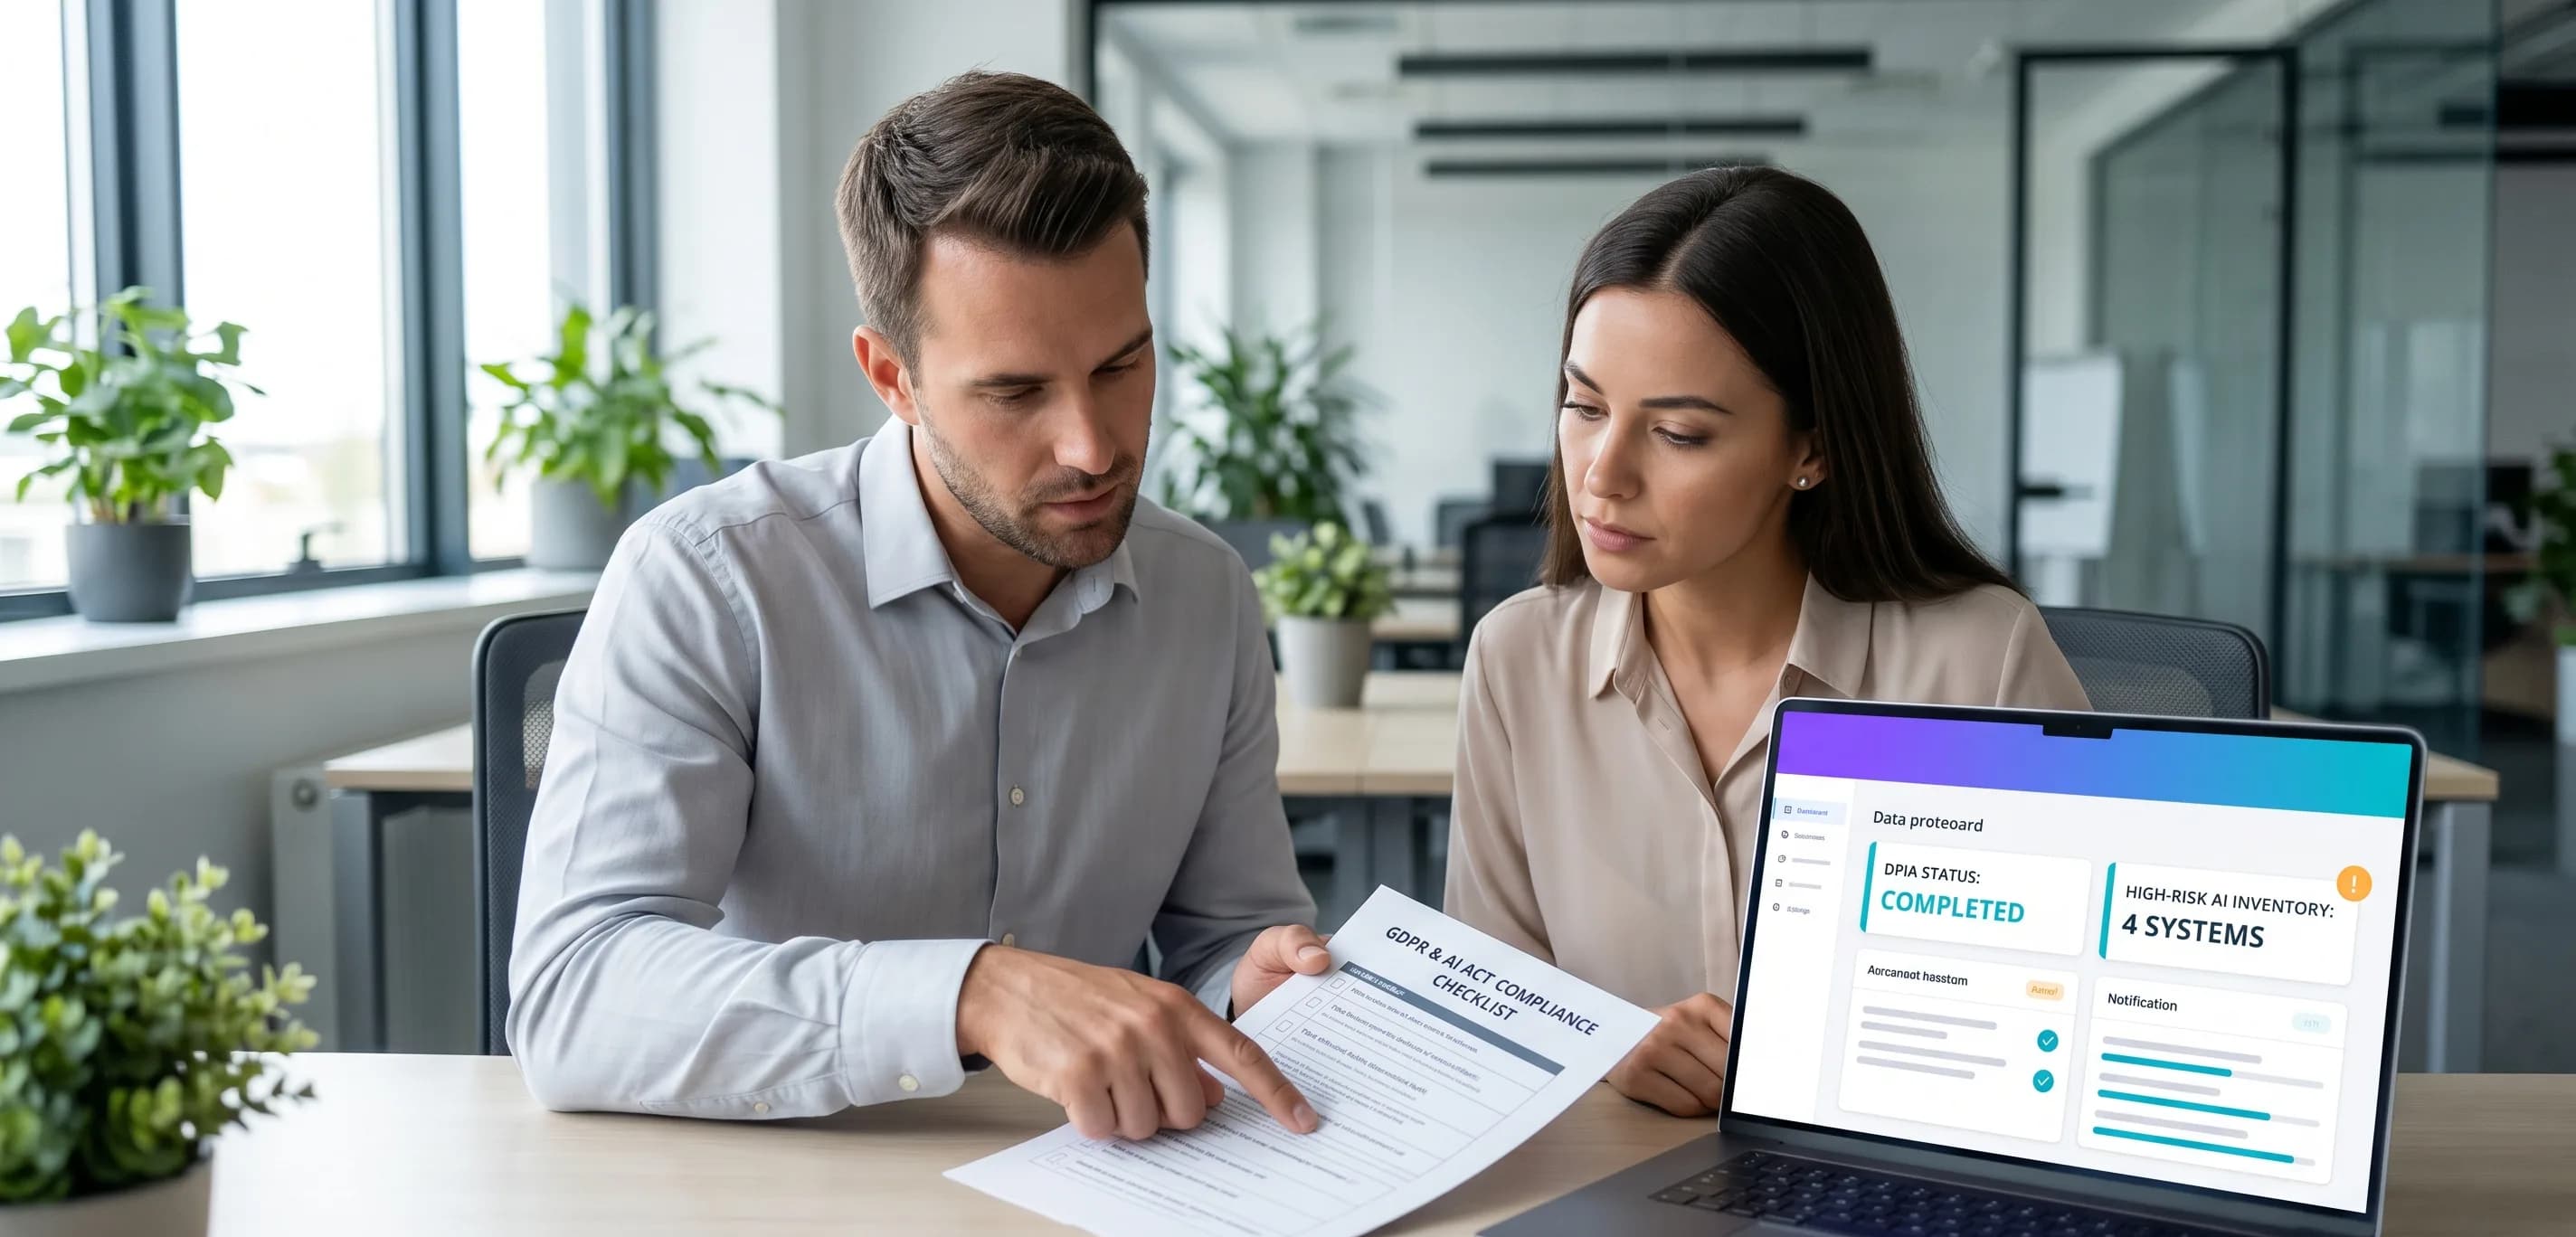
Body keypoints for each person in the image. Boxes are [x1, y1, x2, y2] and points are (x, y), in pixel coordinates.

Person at [508, 71, 1331, 1144]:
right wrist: (968, 992)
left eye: (1122, 365)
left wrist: (1249, 988)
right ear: (890, 375)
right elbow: (575, 995)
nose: (1092, 446)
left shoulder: (1202, 591)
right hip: (781, 1203)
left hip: (1099, 1190)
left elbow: (1225, 935)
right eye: (1015, 392)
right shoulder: (709, 576)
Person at [1443, 166, 2088, 1119]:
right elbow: (1486, 1013)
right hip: (1606, 1198)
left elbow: (2064, 1021)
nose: (1601, 476)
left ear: (1812, 449)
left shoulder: (1977, 662)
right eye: (1583, 408)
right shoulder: (1516, 658)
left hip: (1894, 1194)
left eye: (1678, 433)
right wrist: (1601, 1049)